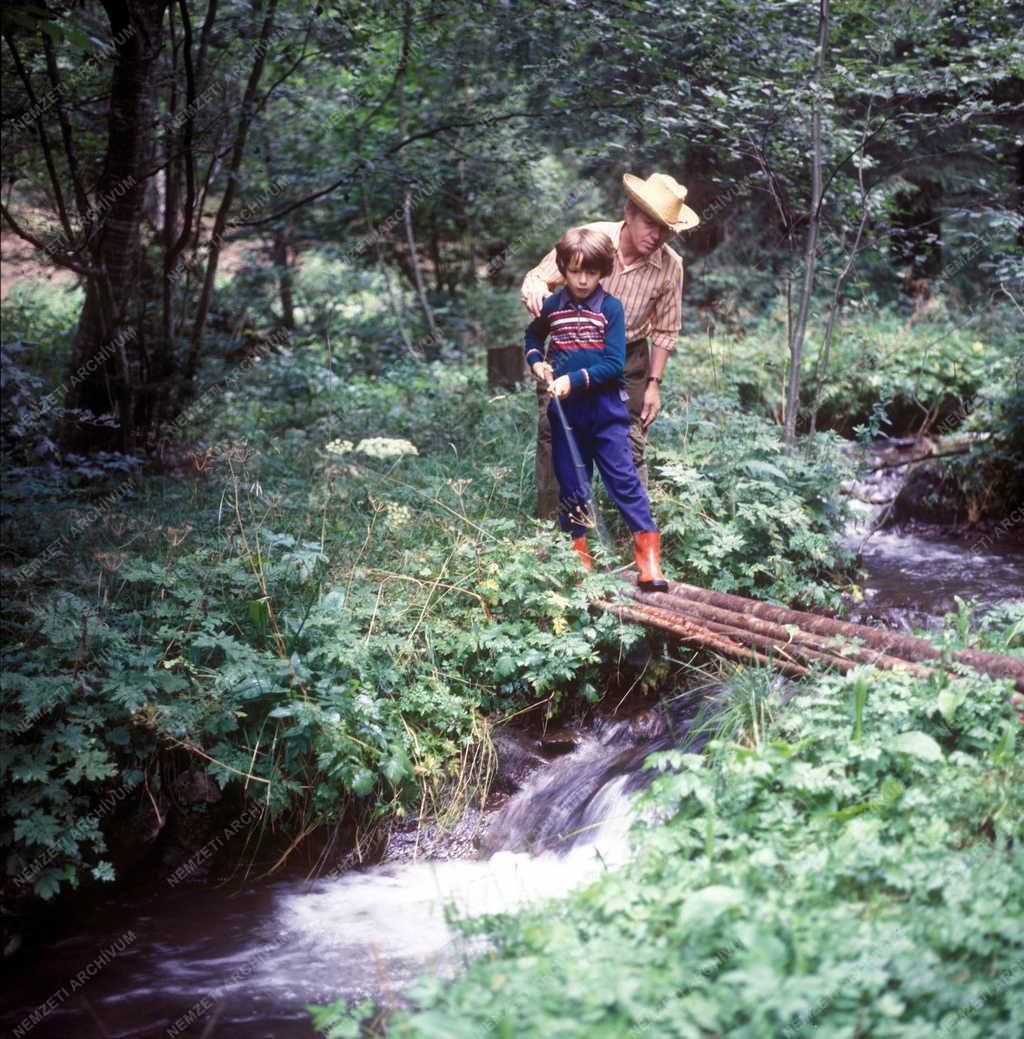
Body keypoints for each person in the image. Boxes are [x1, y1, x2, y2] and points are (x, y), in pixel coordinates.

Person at [521, 172, 699, 519]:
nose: (657, 235)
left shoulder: (670, 266)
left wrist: (654, 385)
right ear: (629, 213)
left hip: (627, 359)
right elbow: (540, 275)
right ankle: (557, 532)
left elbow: (665, 330)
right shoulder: (594, 238)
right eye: (650, 223)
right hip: (570, 351)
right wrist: (536, 289)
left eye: (666, 228)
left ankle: (635, 532)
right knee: (558, 434)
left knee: (628, 441)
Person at [524, 226, 668, 592]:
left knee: (624, 480)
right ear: (563, 270)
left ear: (603, 271)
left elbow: (614, 364)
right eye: (574, 271)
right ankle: (579, 561)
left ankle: (648, 559)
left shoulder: (611, 309)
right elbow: (532, 336)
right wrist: (537, 362)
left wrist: (575, 380)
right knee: (572, 486)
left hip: (606, 413)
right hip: (566, 416)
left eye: (591, 272)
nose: (583, 279)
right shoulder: (553, 307)